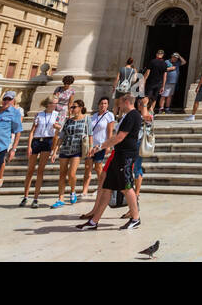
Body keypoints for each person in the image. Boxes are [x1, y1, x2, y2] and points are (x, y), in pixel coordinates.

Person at [77, 93, 142, 231]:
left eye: (119, 101)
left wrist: (100, 146)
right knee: (107, 188)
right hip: (119, 155)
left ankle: (135, 218)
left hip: (126, 155)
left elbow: (119, 137)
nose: (117, 104)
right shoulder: (127, 116)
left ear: (126, 101)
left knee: (126, 186)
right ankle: (94, 222)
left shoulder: (133, 115)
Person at [21, 96, 59, 206]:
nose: (55, 105)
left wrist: (57, 126)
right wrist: (29, 146)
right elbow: (32, 131)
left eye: (56, 103)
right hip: (37, 141)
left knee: (40, 170)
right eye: (54, 103)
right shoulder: (39, 114)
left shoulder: (56, 115)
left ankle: (36, 198)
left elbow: (59, 128)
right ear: (48, 104)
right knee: (30, 170)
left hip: (47, 141)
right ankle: (25, 196)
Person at [51, 99, 87, 207]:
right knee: (62, 174)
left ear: (80, 108)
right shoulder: (68, 121)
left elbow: (90, 135)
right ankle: (60, 198)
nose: (71, 109)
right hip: (65, 148)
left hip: (77, 149)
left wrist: (90, 149)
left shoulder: (86, 120)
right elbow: (61, 137)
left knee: (71, 174)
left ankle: (72, 191)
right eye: (71, 107)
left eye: (74, 107)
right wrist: (54, 151)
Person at [82, 97, 116, 197]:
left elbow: (110, 131)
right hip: (91, 145)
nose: (103, 105)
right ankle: (84, 190)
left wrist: (108, 145)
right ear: (98, 104)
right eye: (101, 103)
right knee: (87, 168)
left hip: (101, 145)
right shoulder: (93, 116)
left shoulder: (109, 115)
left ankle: (100, 188)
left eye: (105, 103)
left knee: (98, 168)